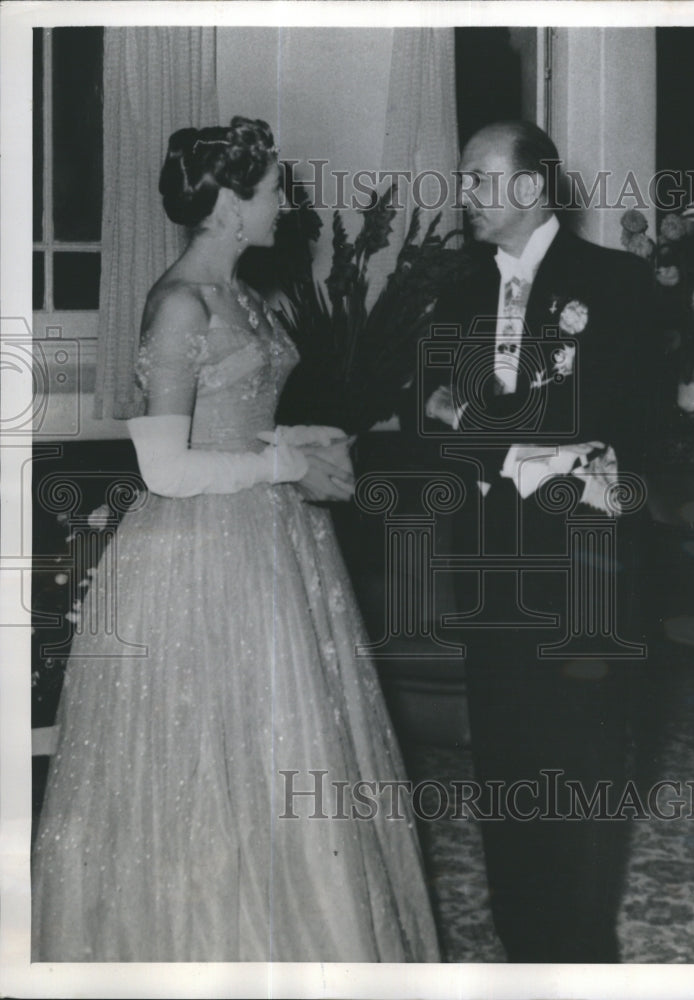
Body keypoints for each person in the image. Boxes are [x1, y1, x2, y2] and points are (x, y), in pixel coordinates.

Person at [32, 116, 440, 963]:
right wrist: (286, 459)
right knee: (204, 767)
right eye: (270, 190)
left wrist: (311, 439)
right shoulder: (176, 303)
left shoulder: (246, 291)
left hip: (268, 539)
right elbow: (165, 469)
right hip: (195, 556)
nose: (284, 204)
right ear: (226, 205)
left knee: (288, 752)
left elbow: (239, 419)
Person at [424, 121, 659, 963]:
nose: (465, 195)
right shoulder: (453, 291)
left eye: (480, 180)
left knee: (585, 757)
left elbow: (626, 431)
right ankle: (525, 949)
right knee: (505, 758)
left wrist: (502, 441)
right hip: (488, 563)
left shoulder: (619, 284)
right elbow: (435, 419)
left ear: (531, 188)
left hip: (584, 571)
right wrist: (538, 453)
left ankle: (583, 949)